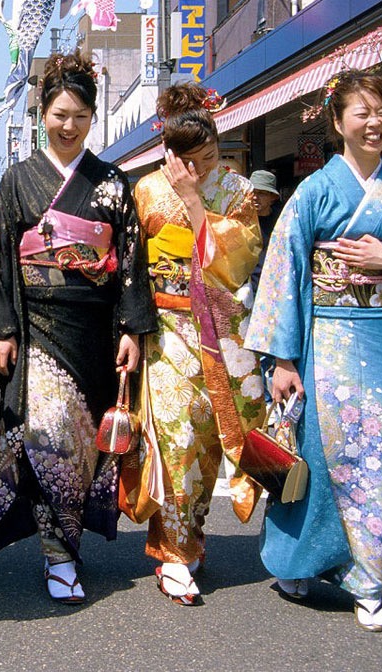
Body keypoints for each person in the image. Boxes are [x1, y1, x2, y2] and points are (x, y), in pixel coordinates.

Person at [244, 69, 382, 632]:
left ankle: (369, 582)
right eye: (362, 113)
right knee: (320, 456)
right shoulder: (314, 193)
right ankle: (304, 560)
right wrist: (284, 360)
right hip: (327, 339)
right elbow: (281, 275)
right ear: (338, 121)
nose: (375, 123)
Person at [0, 50, 155, 603]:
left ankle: (69, 540)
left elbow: (131, 258)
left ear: (92, 118)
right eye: (60, 114)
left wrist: (131, 326)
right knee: (48, 433)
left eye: (81, 116)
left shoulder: (111, 183)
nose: (69, 125)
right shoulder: (17, 181)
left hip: (94, 328)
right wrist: (4, 330)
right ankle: (58, 555)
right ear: (41, 112)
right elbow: (5, 258)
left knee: (83, 444)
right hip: (37, 328)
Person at [123, 82, 266, 606]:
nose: (205, 168)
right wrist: (130, 329)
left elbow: (240, 258)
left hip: (221, 334)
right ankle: (174, 553)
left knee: (209, 441)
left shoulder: (237, 190)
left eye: (212, 156)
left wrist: (193, 200)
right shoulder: (145, 191)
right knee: (175, 438)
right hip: (165, 331)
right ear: (171, 154)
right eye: (195, 161)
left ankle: (192, 535)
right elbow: (132, 268)